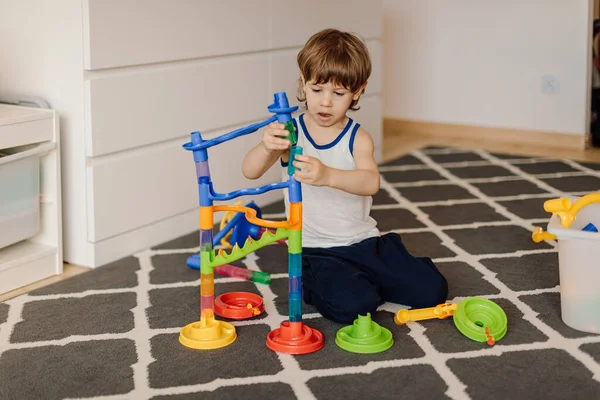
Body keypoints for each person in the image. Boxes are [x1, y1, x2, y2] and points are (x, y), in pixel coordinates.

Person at [242, 28, 448, 324]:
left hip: (364, 242)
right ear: (303, 82)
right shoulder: (292, 131)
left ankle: (374, 275)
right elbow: (250, 171)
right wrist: (266, 146)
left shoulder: (357, 137)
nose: (326, 102)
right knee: (354, 307)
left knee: (433, 291)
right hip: (316, 249)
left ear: (357, 91)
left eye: (338, 94)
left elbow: (370, 182)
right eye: (317, 90)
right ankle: (321, 283)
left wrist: (327, 175)